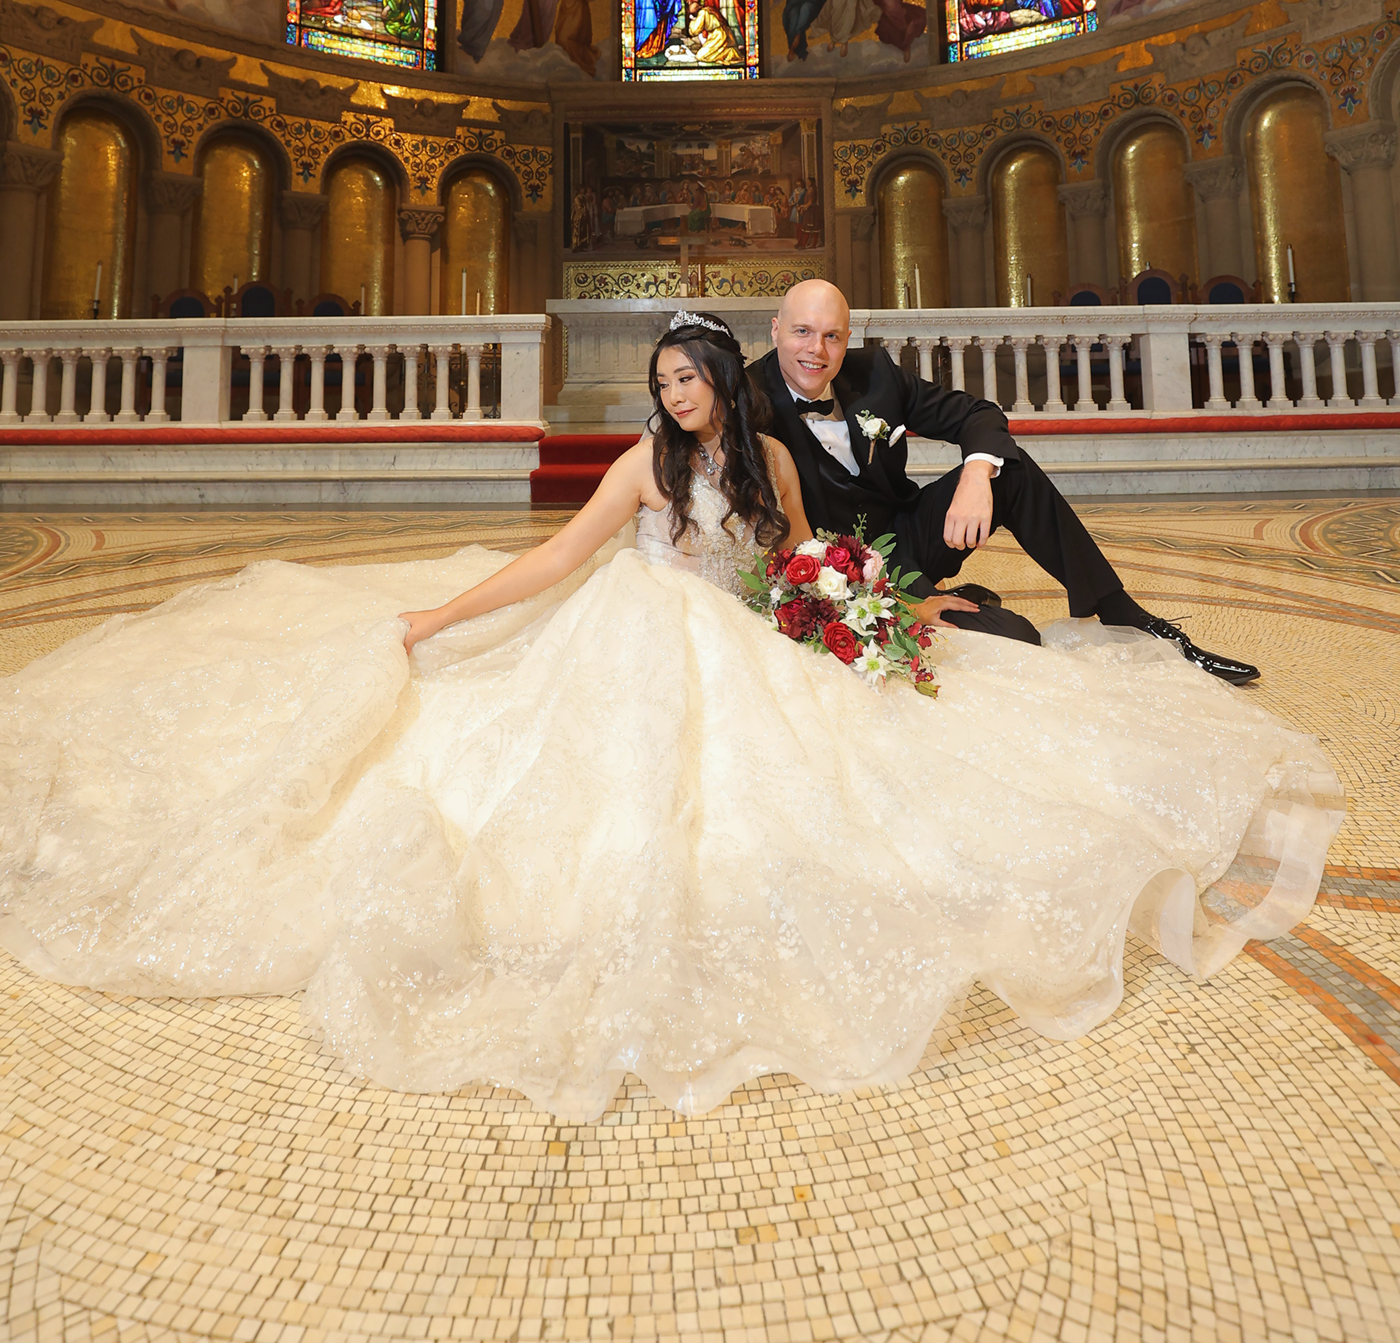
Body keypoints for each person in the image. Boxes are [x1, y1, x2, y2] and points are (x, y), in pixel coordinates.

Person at [0, 311, 1338, 1122]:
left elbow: (796, 561)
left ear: (719, 381)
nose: (673, 396)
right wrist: (433, 622)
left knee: (875, 759)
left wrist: (861, 612)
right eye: (663, 383)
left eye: (687, 380)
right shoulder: (642, 463)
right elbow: (560, 562)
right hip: (631, 636)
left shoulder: (760, 458)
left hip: (745, 632)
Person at [748, 280, 1259, 684]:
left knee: (1007, 468)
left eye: (832, 335)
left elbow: (976, 413)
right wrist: (905, 602)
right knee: (1016, 638)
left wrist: (975, 473)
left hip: (910, 533)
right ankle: (956, 599)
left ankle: (1120, 609)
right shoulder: (746, 400)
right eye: (802, 332)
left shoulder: (875, 372)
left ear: (848, 339)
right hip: (844, 572)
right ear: (775, 330)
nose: (817, 349)